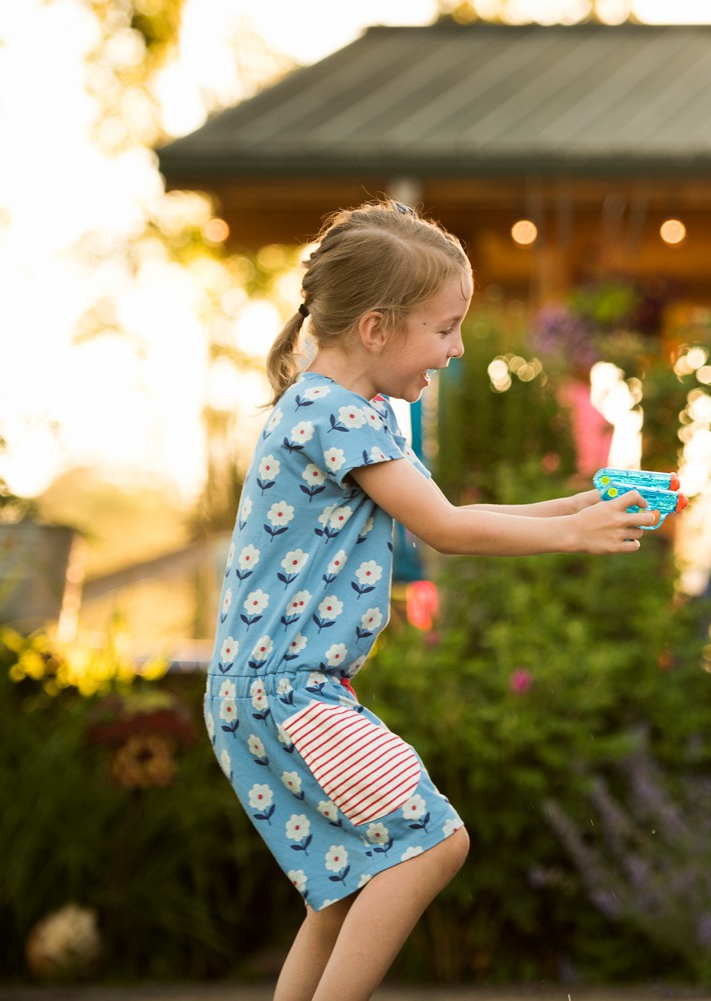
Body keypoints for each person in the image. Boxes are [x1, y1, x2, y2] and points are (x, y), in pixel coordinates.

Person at [202, 199, 656, 1001]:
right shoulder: (334, 414)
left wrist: (584, 507)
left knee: (346, 885)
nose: (455, 348)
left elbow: (448, 513)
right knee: (429, 842)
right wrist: (573, 534)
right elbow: (447, 529)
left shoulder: (347, 410)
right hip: (290, 693)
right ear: (377, 328)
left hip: (270, 690)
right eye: (444, 328)